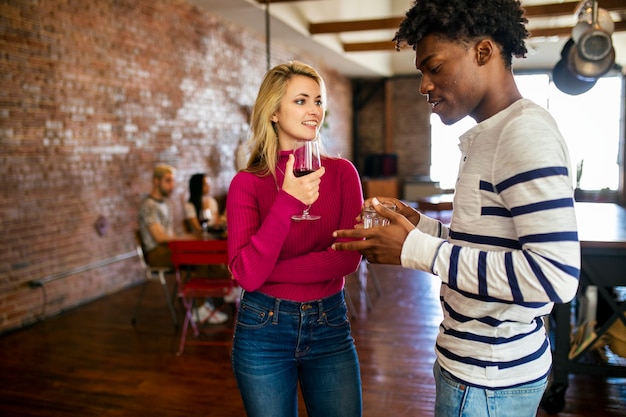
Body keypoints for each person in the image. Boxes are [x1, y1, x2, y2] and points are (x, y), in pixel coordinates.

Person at [332, 1, 581, 416]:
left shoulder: (523, 134)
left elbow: (555, 277)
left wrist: (415, 250)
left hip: (489, 378)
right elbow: (491, 246)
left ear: (483, 52)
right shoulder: (489, 134)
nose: (423, 85)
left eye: (434, 67)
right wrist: (420, 227)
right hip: (473, 368)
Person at [226, 61, 364, 417]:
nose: (314, 111)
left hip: (330, 325)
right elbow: (246, 275)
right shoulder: (247, 183)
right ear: (273, 111)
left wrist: (266, 269)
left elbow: (347, 258)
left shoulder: (343, 174)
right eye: (301, 101)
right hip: (262, 330)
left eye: (318, 101)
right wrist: (287, 201)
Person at [138, 164, 227, 324]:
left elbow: (170, 235)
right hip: (156, 254)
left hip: (168, 249)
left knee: (206, 252)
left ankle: (221, 292)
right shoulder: (149, 205)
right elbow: (160, 238)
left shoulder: (165, 203)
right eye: (168, 181)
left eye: (173, 181)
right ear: (156, 181)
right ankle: (201, 307)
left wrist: (188, 237)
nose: (172, 185)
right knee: (199, 256)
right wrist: (188, 239)